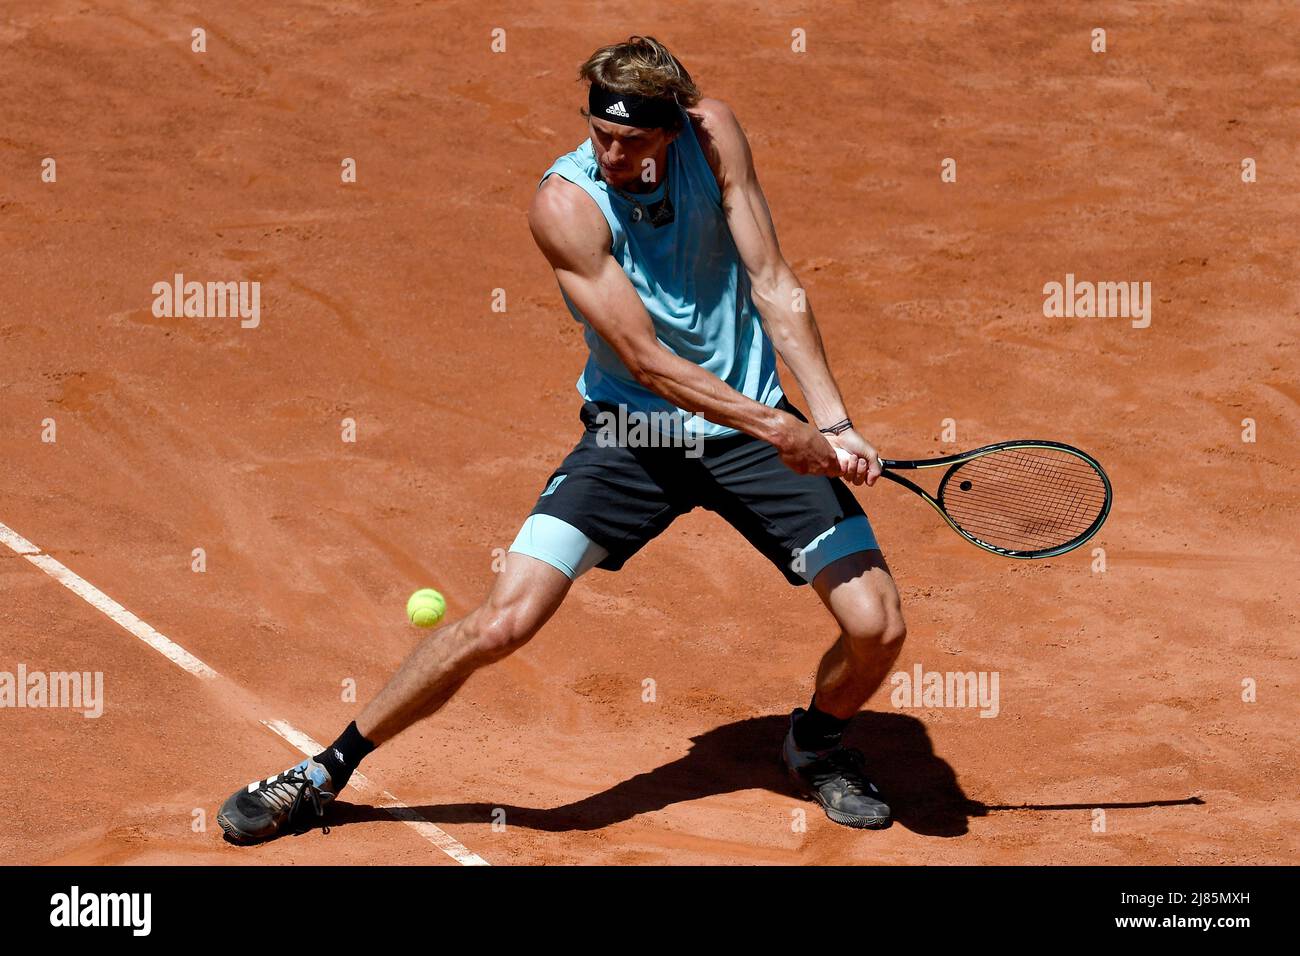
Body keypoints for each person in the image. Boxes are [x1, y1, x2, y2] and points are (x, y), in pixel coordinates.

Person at [217, 35, 907, 843]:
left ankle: (815, 744)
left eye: (633, 140)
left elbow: (775, 285)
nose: (612, 153)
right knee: (503, 621)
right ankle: (321, 773)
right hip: (635, 433)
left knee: (878, 626)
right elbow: (649, 363)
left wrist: (832, 422)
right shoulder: (564, 204)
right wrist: (779, 425)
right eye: (598, 133)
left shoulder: (715, 135)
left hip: (752, 430)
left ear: (674, 129)